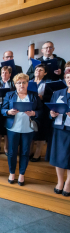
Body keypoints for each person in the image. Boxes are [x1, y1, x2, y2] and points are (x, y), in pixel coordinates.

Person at [2, 73, 43, 186]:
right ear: (15, 84)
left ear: (27, 83)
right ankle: (11, 173)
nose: (21, 85)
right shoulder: (9, 95)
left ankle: (21, 174)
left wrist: (34, 113)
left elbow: (41, 111)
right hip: (13, 128)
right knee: (12, 152)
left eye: (24, 82)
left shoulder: (34, 95)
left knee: (25, 152)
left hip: (28, 128)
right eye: (19, 83)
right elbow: (3, 109)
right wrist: (8, 112)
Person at [47, 68, 70, 197]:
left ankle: (68, 183)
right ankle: (60, 181)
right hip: (59, 128)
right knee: (58, 156)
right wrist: (52, 114)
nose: (69, 80)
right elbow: (51, 111)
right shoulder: (58, 93)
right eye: (67, 78)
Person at [29, 64, 53, 162]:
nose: (38, 71)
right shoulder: (29, 82)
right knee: (31, 131)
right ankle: (29, 151)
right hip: (30, 110)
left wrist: (43, 97)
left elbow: (52, 97)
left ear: (45, 73)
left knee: (41, 132)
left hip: (43, 110)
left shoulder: (48, 83)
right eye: (36, 69)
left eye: (41, 70)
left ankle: (38, 153)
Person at [0, 66, 15, 155]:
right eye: (2, 72)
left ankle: (6, 148)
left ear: (10, 74)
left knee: (6, 128)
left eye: (6, 72)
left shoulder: (13, 84)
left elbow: (16, 95)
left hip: (8, 108)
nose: (4, 74)